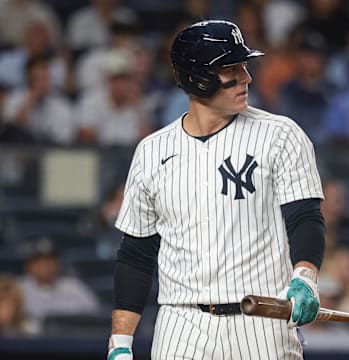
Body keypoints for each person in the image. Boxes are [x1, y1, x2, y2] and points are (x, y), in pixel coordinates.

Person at [108, 20, 325, 360]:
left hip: (260, 320)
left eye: (245, 65)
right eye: (232, 68)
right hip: (181, 324)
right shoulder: (151, 151)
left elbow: (304, 217)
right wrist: (120, 341)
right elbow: (136, 252)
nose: (246, 77)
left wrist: (305, 276)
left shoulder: (281, 135)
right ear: (197, 78)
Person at [20, 246, 100, 329]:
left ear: (58, 264)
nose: (45, 266)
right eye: (39, 262)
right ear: (28, 266)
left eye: (49, 261)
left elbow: (95, 316)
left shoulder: (74, 287)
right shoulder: (18, 289)